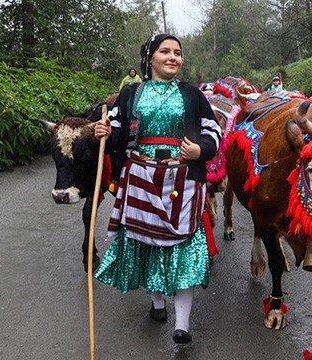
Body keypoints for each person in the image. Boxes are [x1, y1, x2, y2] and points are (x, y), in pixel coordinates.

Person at [94, 34, 221, 343]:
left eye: (177, 52)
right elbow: (117, 134)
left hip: (183, 179)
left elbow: (212, 131)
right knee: (147, 243)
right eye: (165, 51)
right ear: (150, 58)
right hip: (140, 177)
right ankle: (157, 304)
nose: (173, 57)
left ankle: (182, 324)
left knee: (183, 246)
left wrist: (200, 150)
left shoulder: (192, 95)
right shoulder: (130, 94)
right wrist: (105, 133)